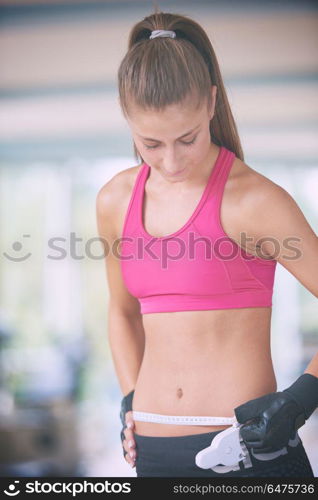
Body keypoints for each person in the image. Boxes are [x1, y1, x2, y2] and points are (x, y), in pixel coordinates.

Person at [96, 10, 318, 477]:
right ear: (128, 119)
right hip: (153, 453)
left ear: (211, 103)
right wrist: (131, 398)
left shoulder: (257, 200)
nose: (171, 160)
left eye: (187, 138)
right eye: (151, 143)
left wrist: (302, 397)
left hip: (249, 450)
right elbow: (121, 311)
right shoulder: (114, 199)